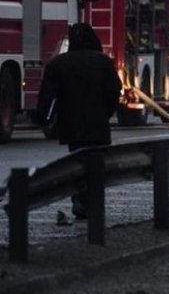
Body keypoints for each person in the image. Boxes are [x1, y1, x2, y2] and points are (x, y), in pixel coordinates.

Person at [37, 23, 122, 219]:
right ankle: (92, 204)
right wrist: (105, 113)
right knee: (96, 168)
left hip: (71, 126)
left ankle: (79, 200)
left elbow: (47, 98)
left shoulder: (57, 64)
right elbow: (113, 92)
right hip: (98, 126)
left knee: (77, 165)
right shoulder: (103, 62)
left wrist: (46, 121)